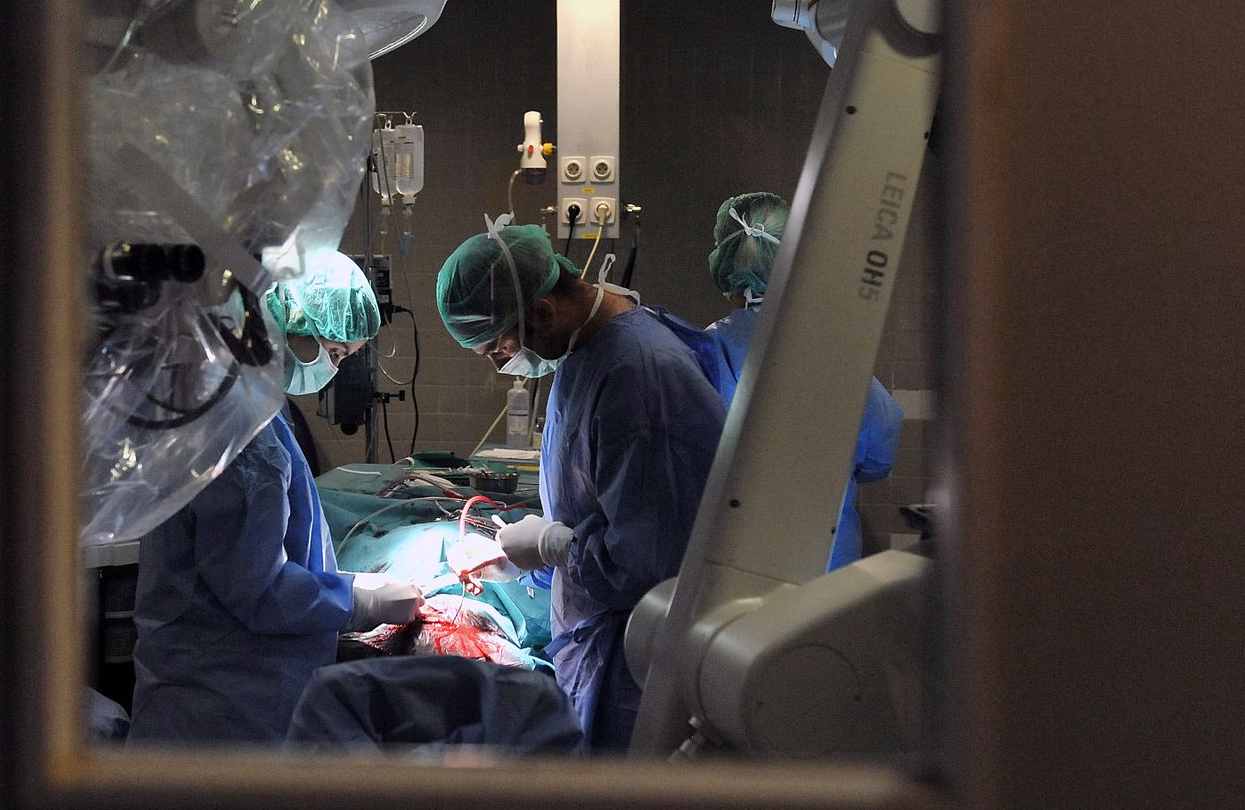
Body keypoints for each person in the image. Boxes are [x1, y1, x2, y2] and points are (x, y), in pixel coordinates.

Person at [436, 220, 726, 751]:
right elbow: (590, 505)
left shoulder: (641, 377)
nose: (503, 366)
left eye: (497, 350)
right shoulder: (581, 352)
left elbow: (653, 564)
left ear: (542, 313)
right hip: (597, 640)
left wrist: (552, 546)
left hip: (635, 659)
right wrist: (533, 559)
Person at [128, 251, 424, 743]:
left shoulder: (251, 404)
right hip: (221, 704)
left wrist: (343, 584)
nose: (333, 369)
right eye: (336, 353)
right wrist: (358, 601)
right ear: (293, 325)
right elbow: (257, 590)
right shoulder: (239, 429)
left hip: (230, 686)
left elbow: (255, 555)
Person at [706, 191, 905, 570]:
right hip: (824, 573)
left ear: (725, 266)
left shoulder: (704, 353)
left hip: (731, 573)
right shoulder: (832, 351)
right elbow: (880, 453)